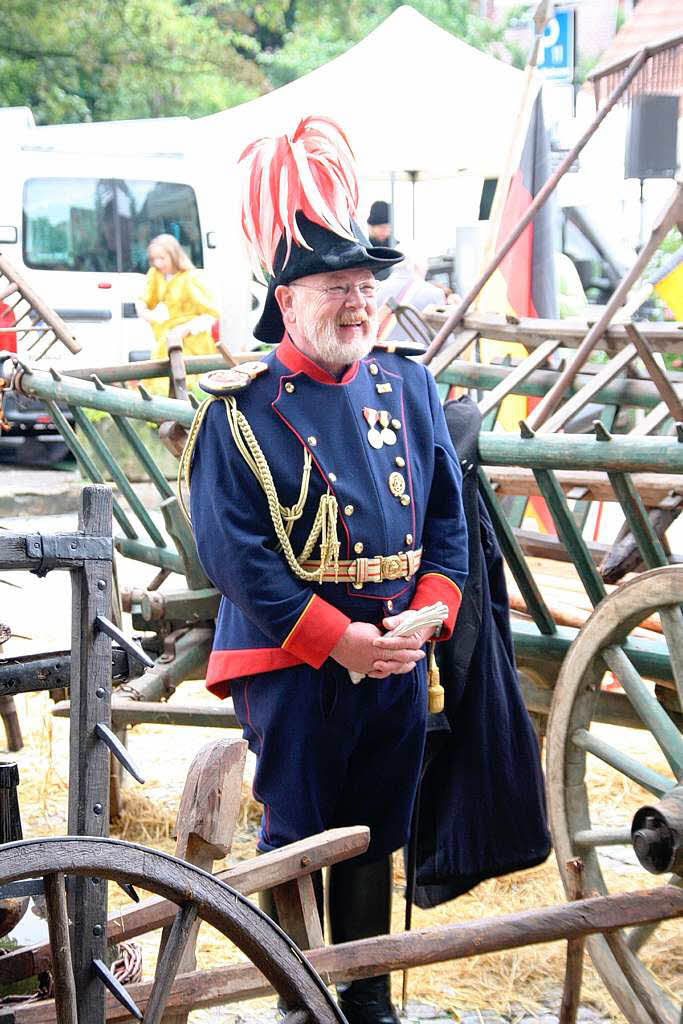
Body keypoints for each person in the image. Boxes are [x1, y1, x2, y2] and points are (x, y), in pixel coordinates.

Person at [181, 116, 468, 1024]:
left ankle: (370, 998)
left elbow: (450, 528)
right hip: (294, 660)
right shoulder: (240, 410)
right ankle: (301, 1002)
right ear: (288, 299)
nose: (356, 303)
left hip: (394, 655)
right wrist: (336, 640)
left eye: (363, 285)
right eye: (336, 287)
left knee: (377, 832)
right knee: (302, 830)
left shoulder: (408, 387)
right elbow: (236, 556)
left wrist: (423, 620)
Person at [135, 234, 219, 393]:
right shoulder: (155, 274)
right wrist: (144, 311)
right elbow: (146, 298)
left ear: (173, 255)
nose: (157, 263)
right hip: (168, 339)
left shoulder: (190, 278)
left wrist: (186, 329)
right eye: (153, 259)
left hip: (194, 343)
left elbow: (211, 313)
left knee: (191, 388)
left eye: (161, 258)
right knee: (161, 387)